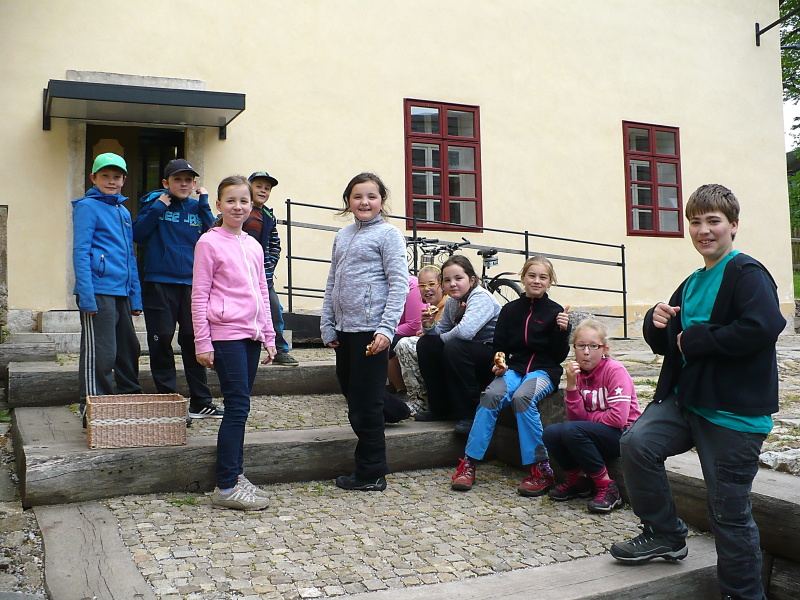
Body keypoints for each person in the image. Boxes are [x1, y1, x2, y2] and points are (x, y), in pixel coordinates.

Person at [610, 184, 785, 600]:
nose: (703, 230)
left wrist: (697, 339)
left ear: (733, 225)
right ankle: (665, 533)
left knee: (728, 513)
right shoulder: (692, 282)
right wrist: (655, 323)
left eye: (713, 221)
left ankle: (743, 595)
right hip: (687, 400)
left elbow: (763, 327)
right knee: (636, 443)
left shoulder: (748, 274)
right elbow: (671, 342)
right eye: (695, 222)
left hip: (732, 413)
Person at [451, 256, 570, 494]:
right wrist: (499, 365)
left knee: (522, 398)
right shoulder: (510, 310)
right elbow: (499, 347)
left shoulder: (556, 312)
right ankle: (469, 463)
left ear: (550, 282)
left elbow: (558, 356)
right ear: (523, 278)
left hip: (544, 371)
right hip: (514, 369)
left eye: (543, 277)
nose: (536, 281)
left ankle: (542, 469)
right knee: (490, 395)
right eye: (532, 276)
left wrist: (561, 330)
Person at [192, 175, 276, 511]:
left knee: (241, 407)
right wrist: (202, 341)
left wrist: (269, 335)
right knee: (237, 406)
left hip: (251, 335)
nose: (237, 207)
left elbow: (262, 291)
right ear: (219, 205)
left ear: (251, 205)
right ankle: (226, 485)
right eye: (231, 201)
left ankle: (236, 475)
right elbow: (199, 295)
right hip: (225, 335)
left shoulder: (253, 245)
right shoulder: (208, 243)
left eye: (243, 201)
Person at [320, 172, 409, 491]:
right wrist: (327, 323)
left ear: (382, 201)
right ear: (348, 201)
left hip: (372, 331)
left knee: (365, 405)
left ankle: (371, 472)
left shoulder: (389, 235)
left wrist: (386, 329)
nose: (364, 202)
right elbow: (333, 281)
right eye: (358, 196)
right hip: (344, 330)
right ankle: (397, 410)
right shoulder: (342, 235)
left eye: (371, 196)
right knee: (352, 390)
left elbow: (399, 284)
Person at [133, 159, 222, 419]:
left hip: (193, 285)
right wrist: (158, 207)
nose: (183, 184)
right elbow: (137, 235)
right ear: (166, 183)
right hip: (160, 283)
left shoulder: (197, 207)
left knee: (195, 340)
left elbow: (216, 237)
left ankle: (201, 401)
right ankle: (167, 402)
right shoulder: (155, 204)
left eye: (188, 180)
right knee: (161, 340)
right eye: (177, 179)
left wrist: (205, 205)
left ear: (194, 184)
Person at [72, 153, 143, 421]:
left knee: (128, 349)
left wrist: (136, 297)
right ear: (93, 178)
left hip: (122, 292)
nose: (111, 181)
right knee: (101, 353)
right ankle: (93, 407)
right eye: (105, 176)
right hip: (98, 291)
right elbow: (81, 251)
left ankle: (129, 399)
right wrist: (86, 295)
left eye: (116, 176)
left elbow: (130, 256)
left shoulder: (123, 211)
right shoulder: (87, 207)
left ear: (124, 179)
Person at [543, 318, 641, 513]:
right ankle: (578, 481)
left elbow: (618, 419)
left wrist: (588, 418)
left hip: (626, 435)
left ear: (604, 349)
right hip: (597, 433)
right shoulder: (578, 374)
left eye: (593, 346)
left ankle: (608, 487)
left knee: (572, 430)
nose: (586, 352)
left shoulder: (615, 371)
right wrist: (571, 385)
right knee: (551, 433)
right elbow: (575, 419)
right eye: (581, 346)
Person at [414, 255, 501, 435]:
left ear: (472, 280)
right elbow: (441, 332)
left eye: (458, 278)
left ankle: (470, 414)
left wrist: (440, 338)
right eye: (447, 280)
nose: (453, 284)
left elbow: (464, 333)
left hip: (491, 354)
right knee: (426, 344)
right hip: (466, 351)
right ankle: (441, 408)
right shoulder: (453, 301)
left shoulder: (481, 297)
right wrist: (429, 326)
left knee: (454, 346)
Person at [244, 171, 298, 366]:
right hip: (238, 276)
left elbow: (275, 245)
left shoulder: (268, 215)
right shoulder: (240, 210)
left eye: (267, 188)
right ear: (248, 187)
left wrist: (268, 266)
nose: (263, 191)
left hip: (263, 277)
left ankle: (280, 350)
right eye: (258, 186)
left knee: (274, 311)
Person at [394, 265, 447, 415]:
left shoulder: (448, 303)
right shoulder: (431, 307)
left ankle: (419, 400)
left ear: (441, 284)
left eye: (431, 284)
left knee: (404, 344)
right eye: (422, 286)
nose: (426, 289)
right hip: (437, 349)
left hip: (451, 351)